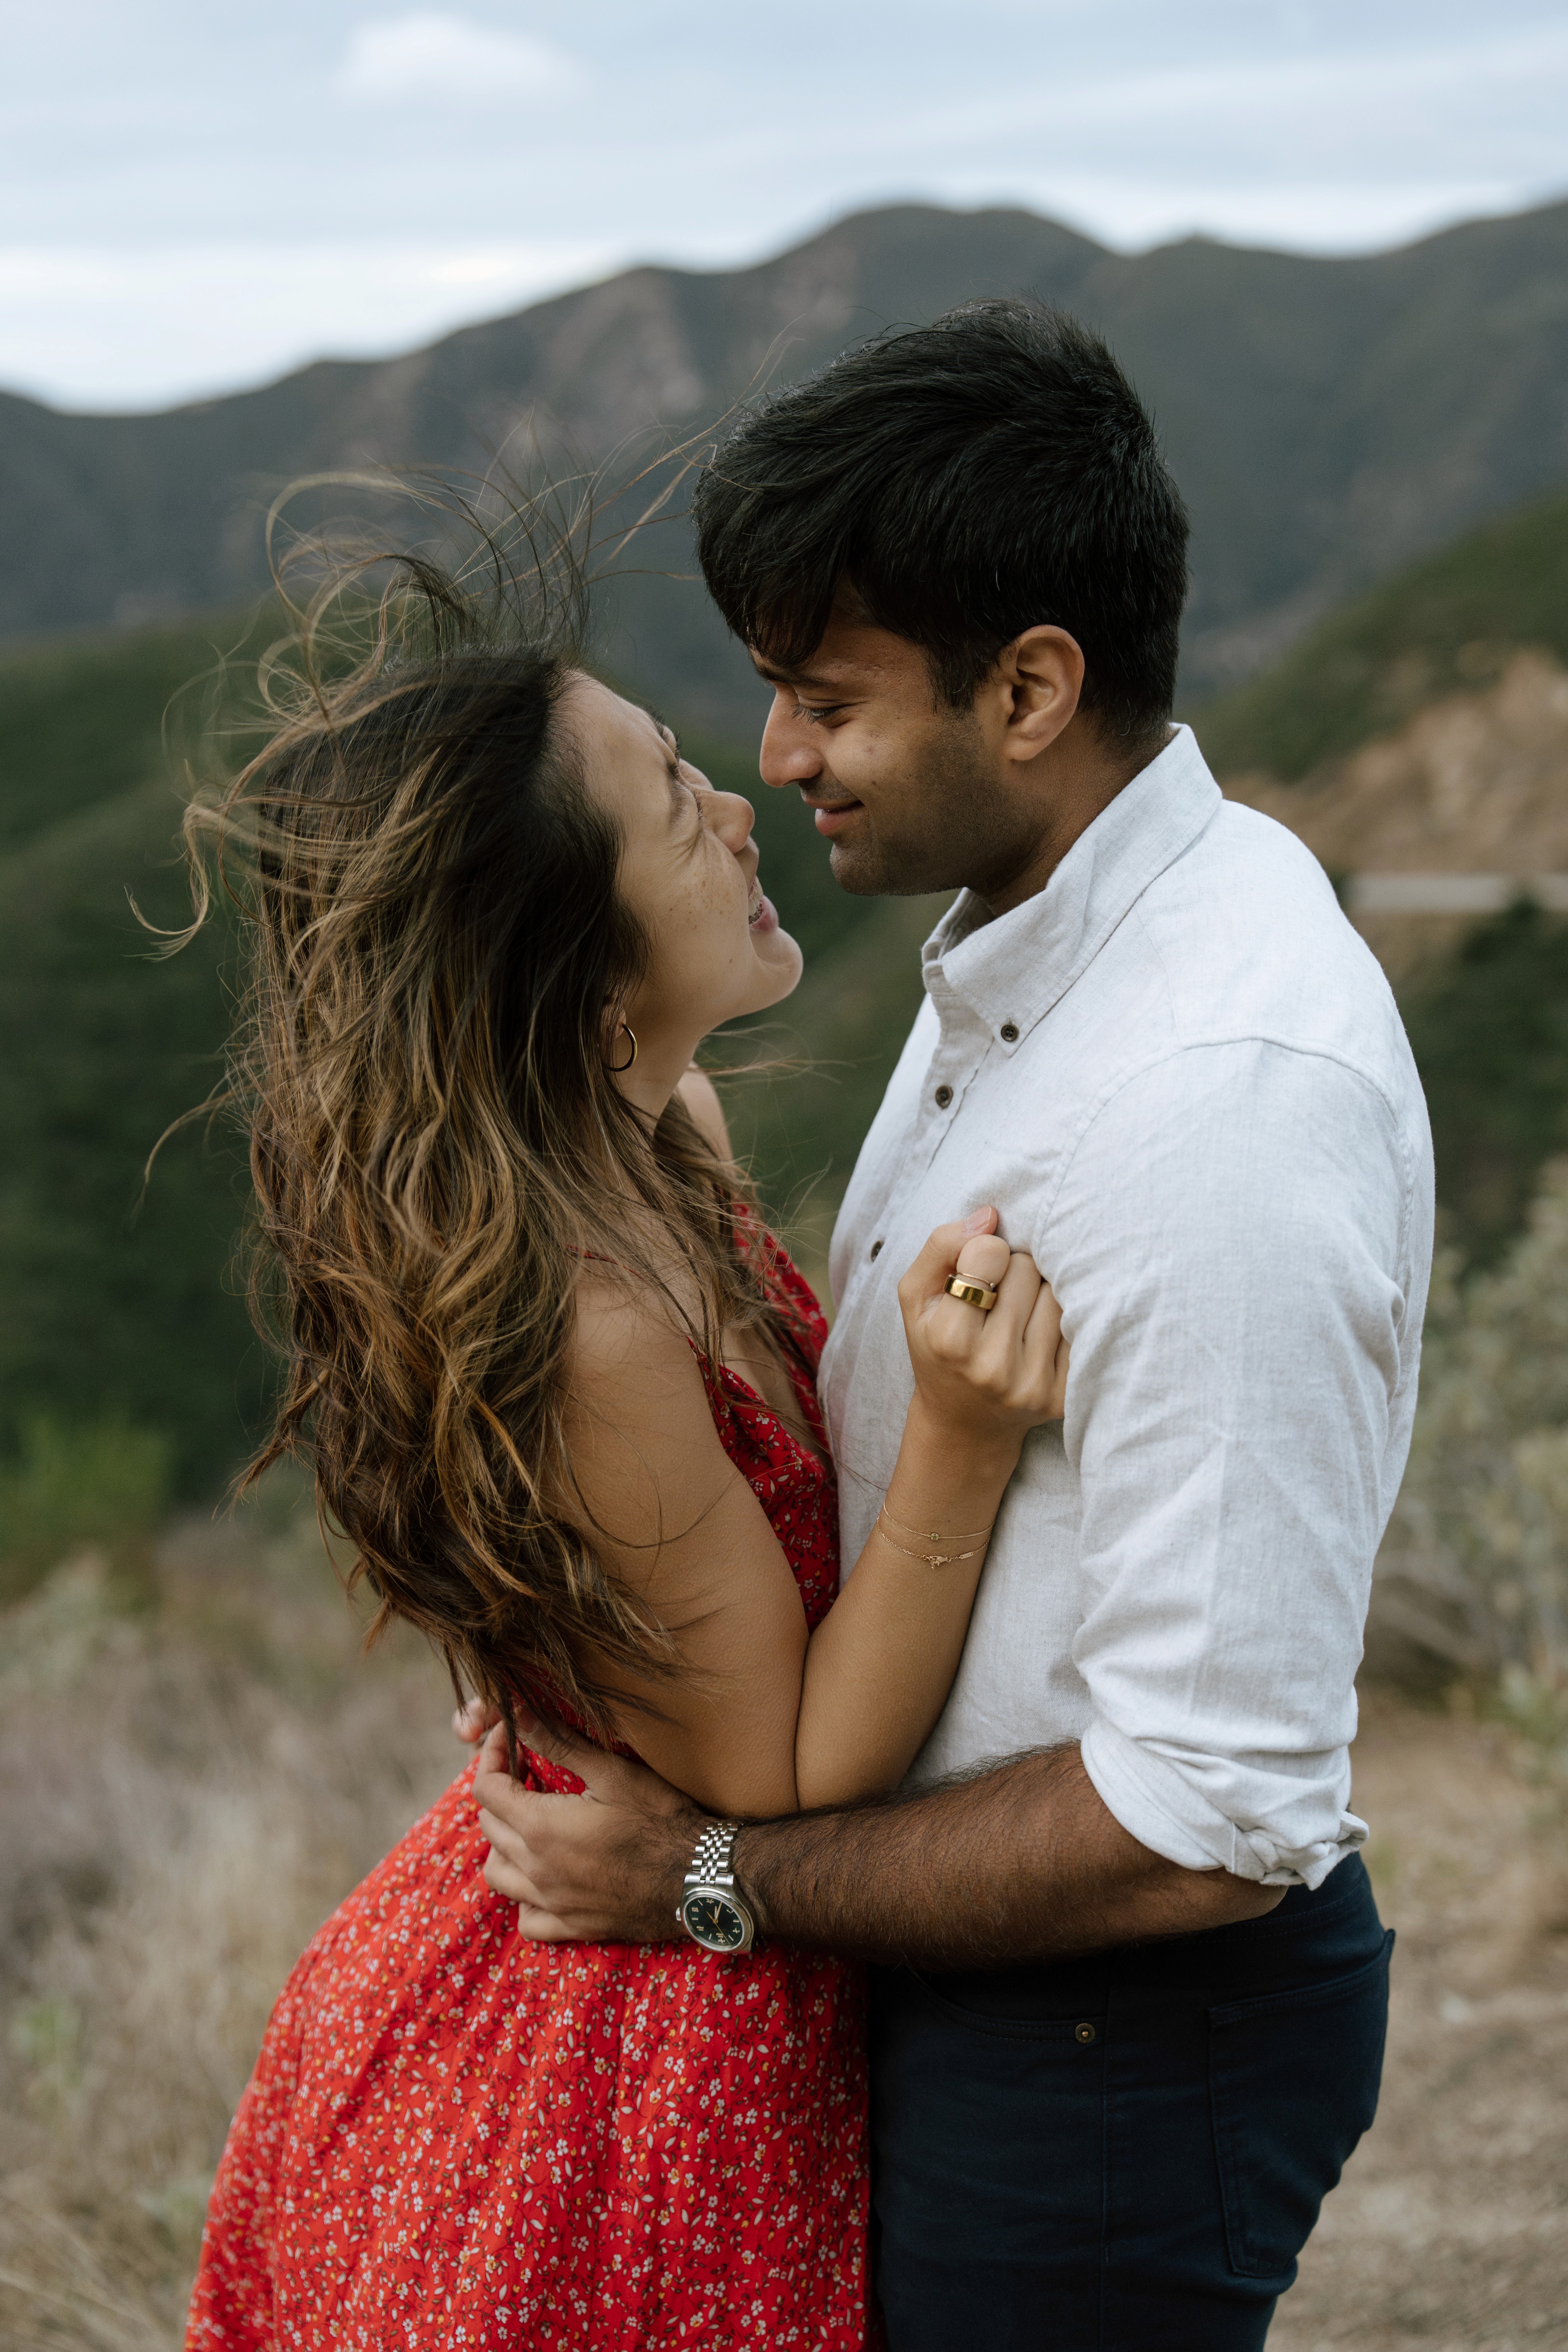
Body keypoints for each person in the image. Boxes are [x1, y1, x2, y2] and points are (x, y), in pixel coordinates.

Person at [470, 301, 1436, 2350]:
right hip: (970, 1984)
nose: (776, 758)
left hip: (1103, 2039)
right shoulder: (1026, 946)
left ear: (1031, 688)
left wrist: (711, 1878)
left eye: (826, 698)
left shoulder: (1221, 1103)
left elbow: (1212, 1819)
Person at [182, 539, 1072, 2351]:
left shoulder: (668, 1148)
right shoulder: (589, 1319)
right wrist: (968, 1449)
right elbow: (786, 1768)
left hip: (639, 1978)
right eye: (675, 808)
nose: (741, 805)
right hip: (606, 2076)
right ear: (583, 976)